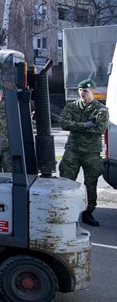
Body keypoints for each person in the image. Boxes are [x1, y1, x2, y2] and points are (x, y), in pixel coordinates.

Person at [59, 79, 109, 227]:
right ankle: (67, 211)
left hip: (91, 152)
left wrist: (75, 126)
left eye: (85, 91)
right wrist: (85, 125)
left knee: (90, 184)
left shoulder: (101, 109)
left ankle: (88, 213)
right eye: (80, 90)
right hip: (73, 150)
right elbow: (63, 123)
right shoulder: (72, 107)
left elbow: (99, 129)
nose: (82, 93)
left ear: (93, 91)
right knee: (67, 181)